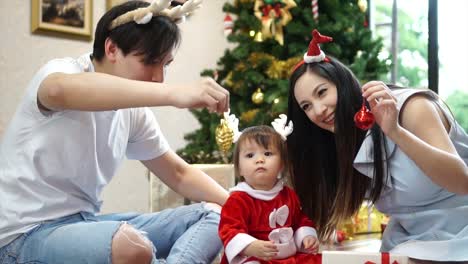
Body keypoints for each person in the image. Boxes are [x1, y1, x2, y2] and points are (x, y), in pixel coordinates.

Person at [0, 1, 230, 263]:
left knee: (215, 213)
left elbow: (179, 174)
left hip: (84, 223)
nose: (159, 78)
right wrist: (175, 94)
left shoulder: (133, 112)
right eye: (150, 62)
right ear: (111, 49)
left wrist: (242, 205)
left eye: (165, 64)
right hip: (23, 236)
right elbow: (57, 91)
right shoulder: (62, 72)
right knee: (131, 246)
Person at [286, 29, 468, 262]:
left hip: (460, 238)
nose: (318, 110)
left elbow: (462, 181)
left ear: (343, 84)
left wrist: (395, 131)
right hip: (407, 245)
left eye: (322, 92)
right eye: (306, 106)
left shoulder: (411, 107)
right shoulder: (343, 140)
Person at [218, 117, 321, 264]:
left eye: (267, 154)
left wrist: (306, 236)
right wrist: (250, 246)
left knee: (318, 260)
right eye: (250, 155)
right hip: (253, 257)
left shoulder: (288, 194)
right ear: (239, 168)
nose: (259, 160)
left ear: (281, 164)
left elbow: (300, 220)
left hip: (288, 256)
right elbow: (229, 229)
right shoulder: (238, 200)